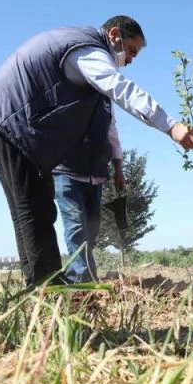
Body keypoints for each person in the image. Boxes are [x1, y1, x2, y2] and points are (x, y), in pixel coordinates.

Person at [0, 15, 193, 287]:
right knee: (33, 208)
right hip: (12, 123)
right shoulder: (89, 50)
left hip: (9, 123)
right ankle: (48, 290)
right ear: (114, 34)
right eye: (131, 50)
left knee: (30, 209)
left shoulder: (79, 46)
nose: (130, 60)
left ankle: (41, 287)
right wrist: (170, 125)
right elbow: (120, 88)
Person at [52, 102, 124, 283]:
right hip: (66, 171)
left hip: (96, 172)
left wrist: (118, 168)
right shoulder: (62, 89)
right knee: (76, 225)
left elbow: (111, 131)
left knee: (92, 228)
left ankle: (85, 274)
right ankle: (81, 279)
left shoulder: (104, 100)